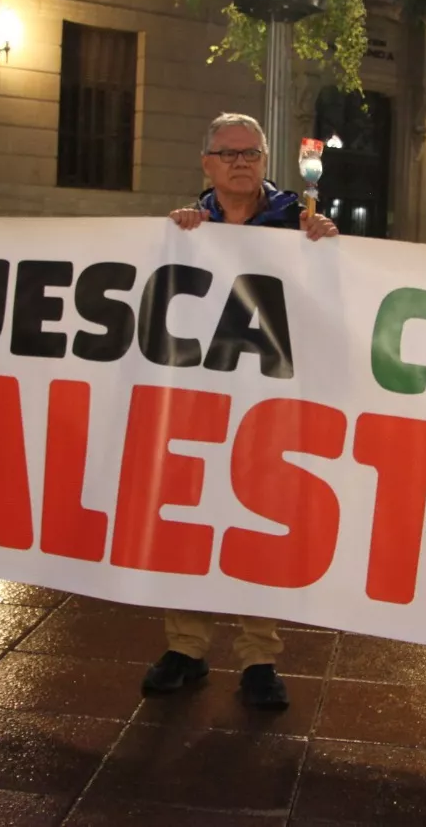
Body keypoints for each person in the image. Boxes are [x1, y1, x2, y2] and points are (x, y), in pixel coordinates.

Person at [141, 113, 338, 711]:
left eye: (251, 153)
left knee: (262, 522)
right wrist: (179, 236)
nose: (240, 163)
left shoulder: (297, 221)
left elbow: (332, 293)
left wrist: (327, 243)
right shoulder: (189, 225)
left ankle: (259, 658)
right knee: (191, 517)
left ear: (265, 161)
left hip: (270, 399)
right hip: (201, 400)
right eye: (228, 154)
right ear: (206, 164)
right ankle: (186, 647)